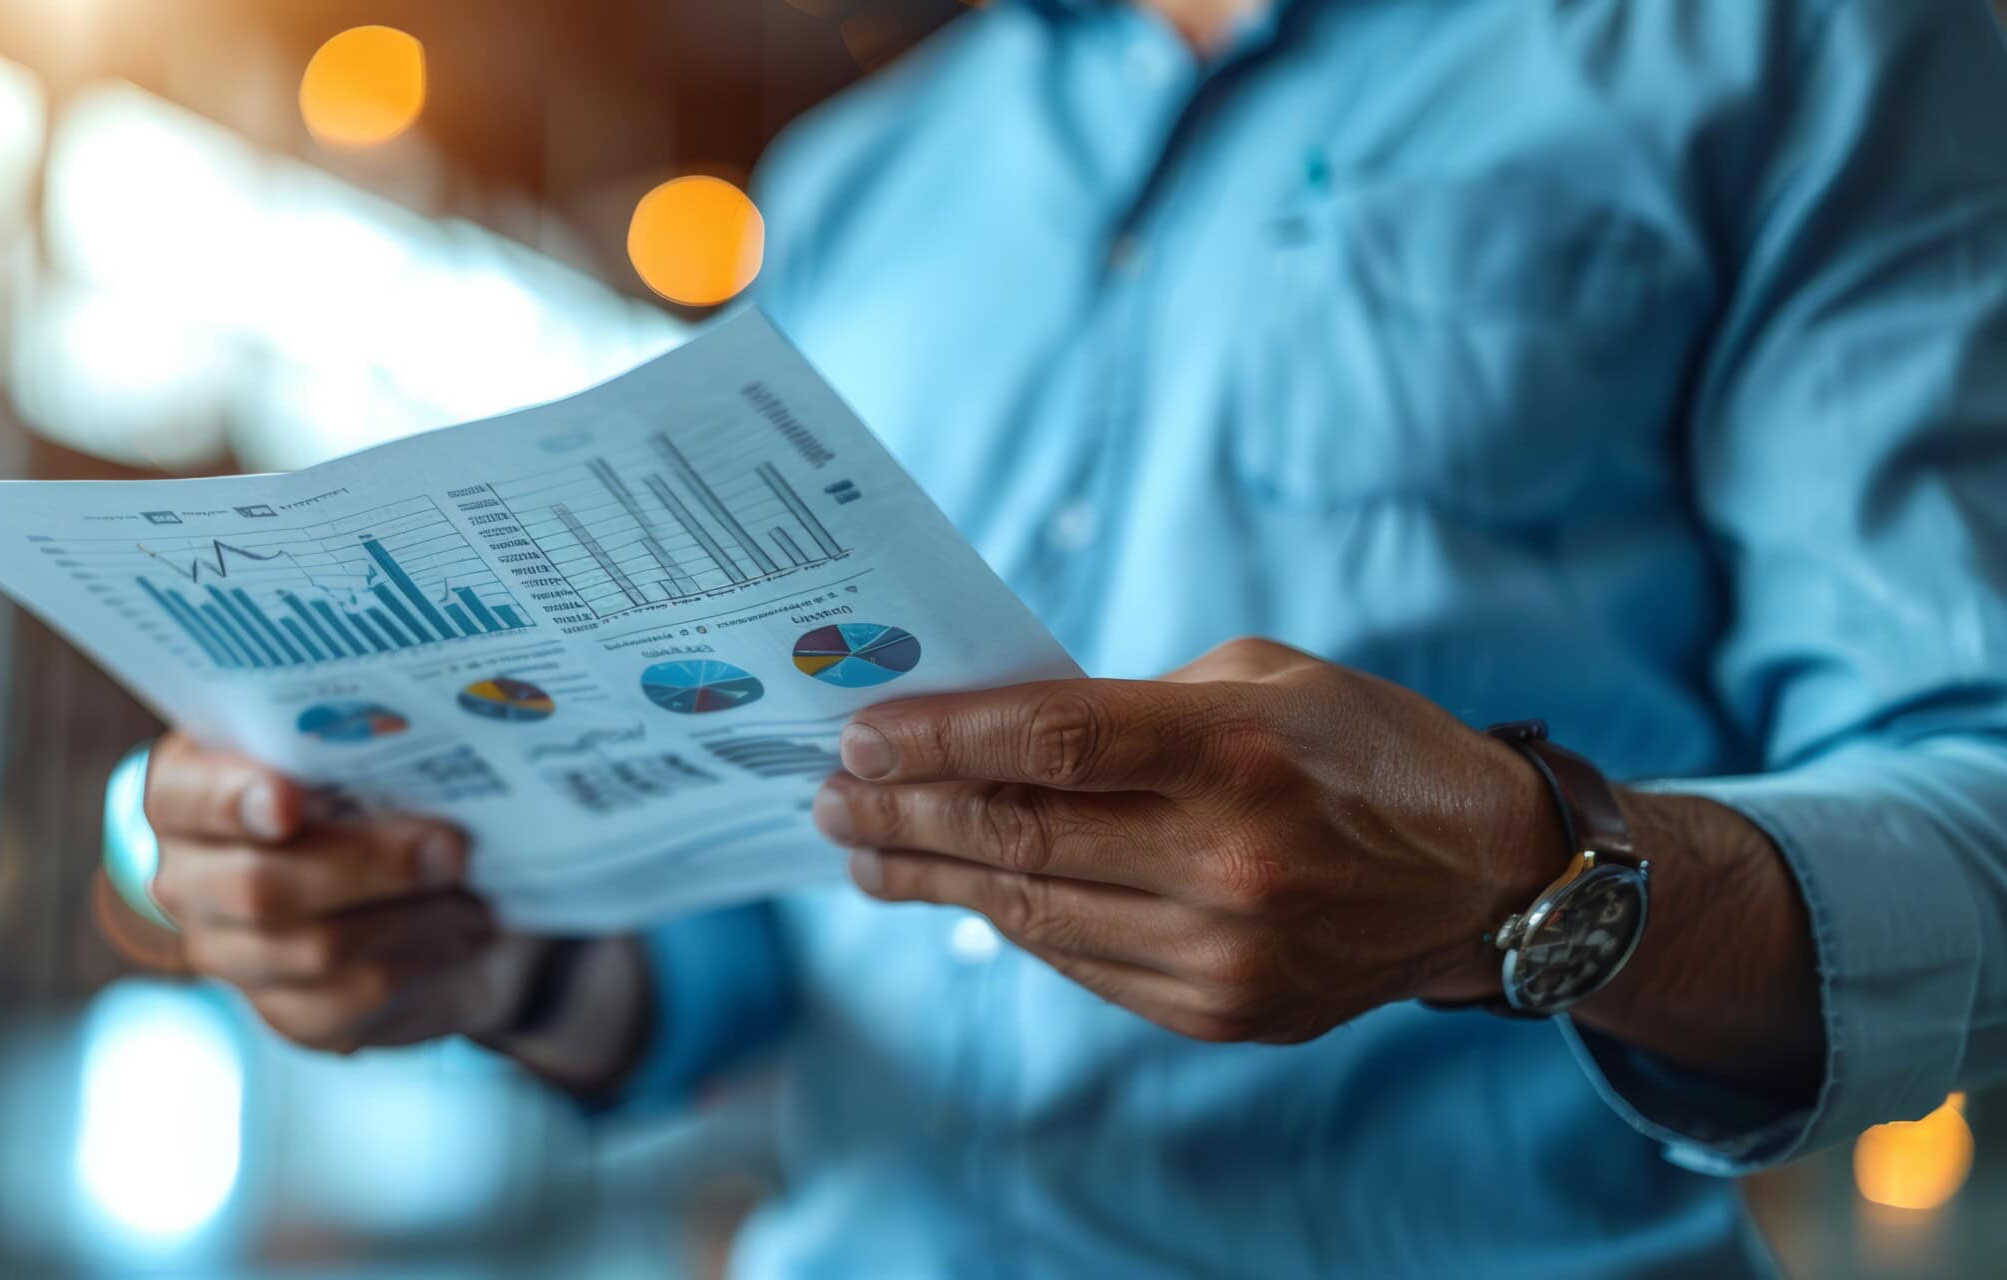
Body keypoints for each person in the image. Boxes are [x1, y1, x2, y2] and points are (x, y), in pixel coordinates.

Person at [137, 0, 2007, 1273]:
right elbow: (780, 914)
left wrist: (1520, 884)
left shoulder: (1804, 43)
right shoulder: (863, 177)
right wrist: (470, 947)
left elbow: (1977, 819)